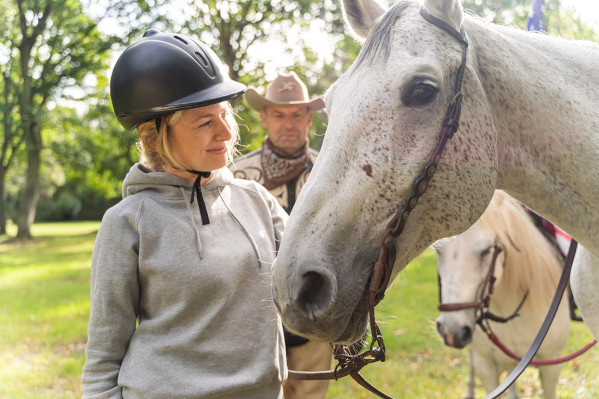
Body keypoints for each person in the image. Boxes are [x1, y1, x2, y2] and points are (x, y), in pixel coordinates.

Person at [81, 29, 288, 399]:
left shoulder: (257, 201)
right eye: (205, 122)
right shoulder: (127, 223)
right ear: (154, 135)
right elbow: (103, 355)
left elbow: (311, 277)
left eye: (224, 114)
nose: (226, 131)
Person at [230, 71, 332, 399]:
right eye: (278, 114)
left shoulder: (332, 174)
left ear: (308, 119)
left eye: (296, 114)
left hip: (315, 317)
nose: (288, 123)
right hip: (252, 324)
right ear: (263, 119)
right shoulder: (234, 177)